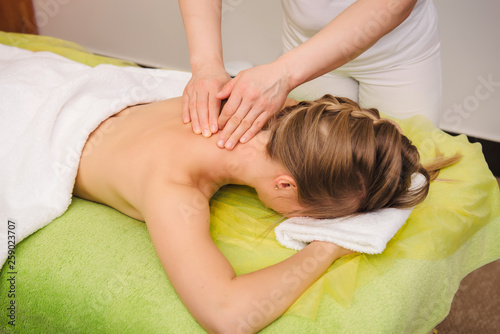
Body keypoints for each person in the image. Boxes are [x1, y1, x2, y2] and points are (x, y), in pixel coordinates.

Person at [74, 93, 457, 333]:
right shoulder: (173, 188)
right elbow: (226, 316)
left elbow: (350, 141)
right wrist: (327, 247)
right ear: (285, 185)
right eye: (318, 214)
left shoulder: (278, 113)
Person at [178, 0, 442, 150]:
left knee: (406, 166)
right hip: (305, 49)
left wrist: (283, 74)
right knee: (309, 160)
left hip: (397, 55)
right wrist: (206, 63)